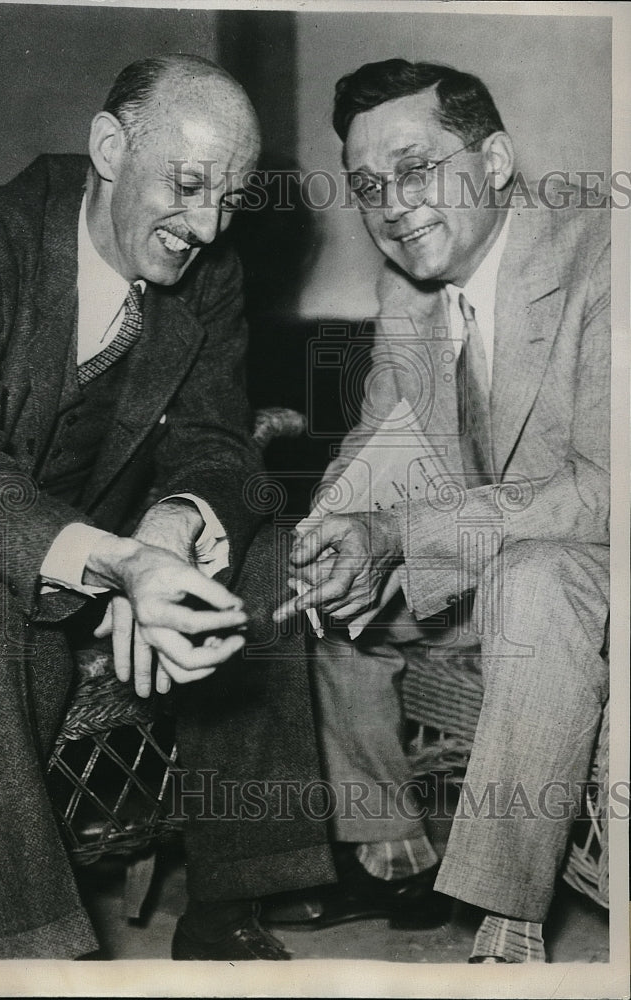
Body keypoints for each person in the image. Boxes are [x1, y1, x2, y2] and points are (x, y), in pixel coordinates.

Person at [0, 53, 334, 961]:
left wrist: (173, 524)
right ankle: (26, 947)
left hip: (112, 542)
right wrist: (118, 562)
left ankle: (233, 899)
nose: (208, 226)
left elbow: (219, 443)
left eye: (230, 199)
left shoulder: (207, 274)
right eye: (187, 186)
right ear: (109, 147)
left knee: (262, 549)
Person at [270, 59, 609, 963]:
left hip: (591, 558)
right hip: (486, 558)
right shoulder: (411, 286)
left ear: (495, 160)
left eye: (415, 170)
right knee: (331, 595)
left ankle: (508, 920)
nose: (392, 204)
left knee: (535, 580)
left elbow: (608, 487)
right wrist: (334, 532)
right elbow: (388, 435)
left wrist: (401, 537)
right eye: (368, 186)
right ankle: (393, 859)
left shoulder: (607, 256)